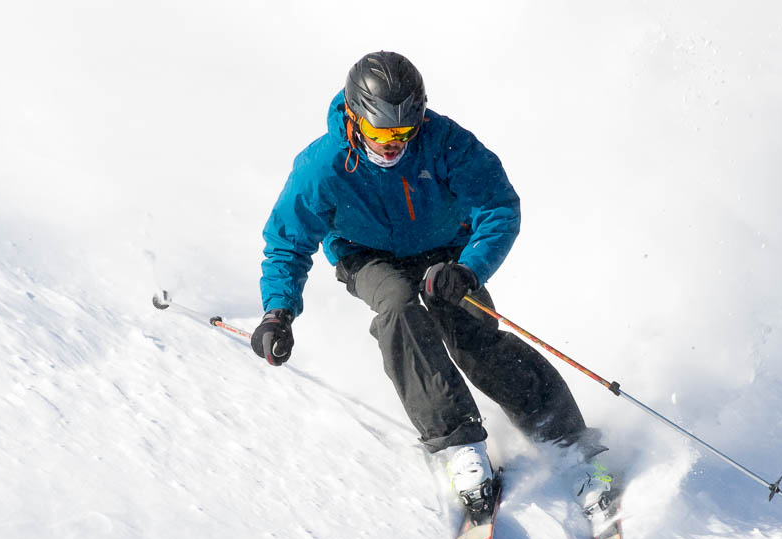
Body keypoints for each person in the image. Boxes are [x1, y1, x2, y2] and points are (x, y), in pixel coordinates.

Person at [252, 51, 612, 515]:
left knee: (471, 335)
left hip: (445, 252)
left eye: (405, 131)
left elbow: (498, 206)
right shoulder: (323, 167)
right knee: (399, 308)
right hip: (369, 257)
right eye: (382, 133)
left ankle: (571, 447)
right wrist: (277, 313)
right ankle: (460, 444)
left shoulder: (445, 142)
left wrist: (469, 269)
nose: (393, 144)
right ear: (355, 117)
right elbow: (287, 242)